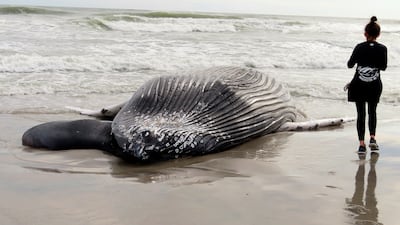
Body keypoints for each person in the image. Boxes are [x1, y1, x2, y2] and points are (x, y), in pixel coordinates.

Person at [346, 16, 387, 155]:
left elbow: (350, 65)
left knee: (361, 114)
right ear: (378, 34)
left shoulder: (359, 47)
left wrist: (361, 60)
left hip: (359, 85)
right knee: (372, 112)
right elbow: (383, 67)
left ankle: (362, 145)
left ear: (365, 34)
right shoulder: (383, 48)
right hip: (375, 85)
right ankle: (373, 138)